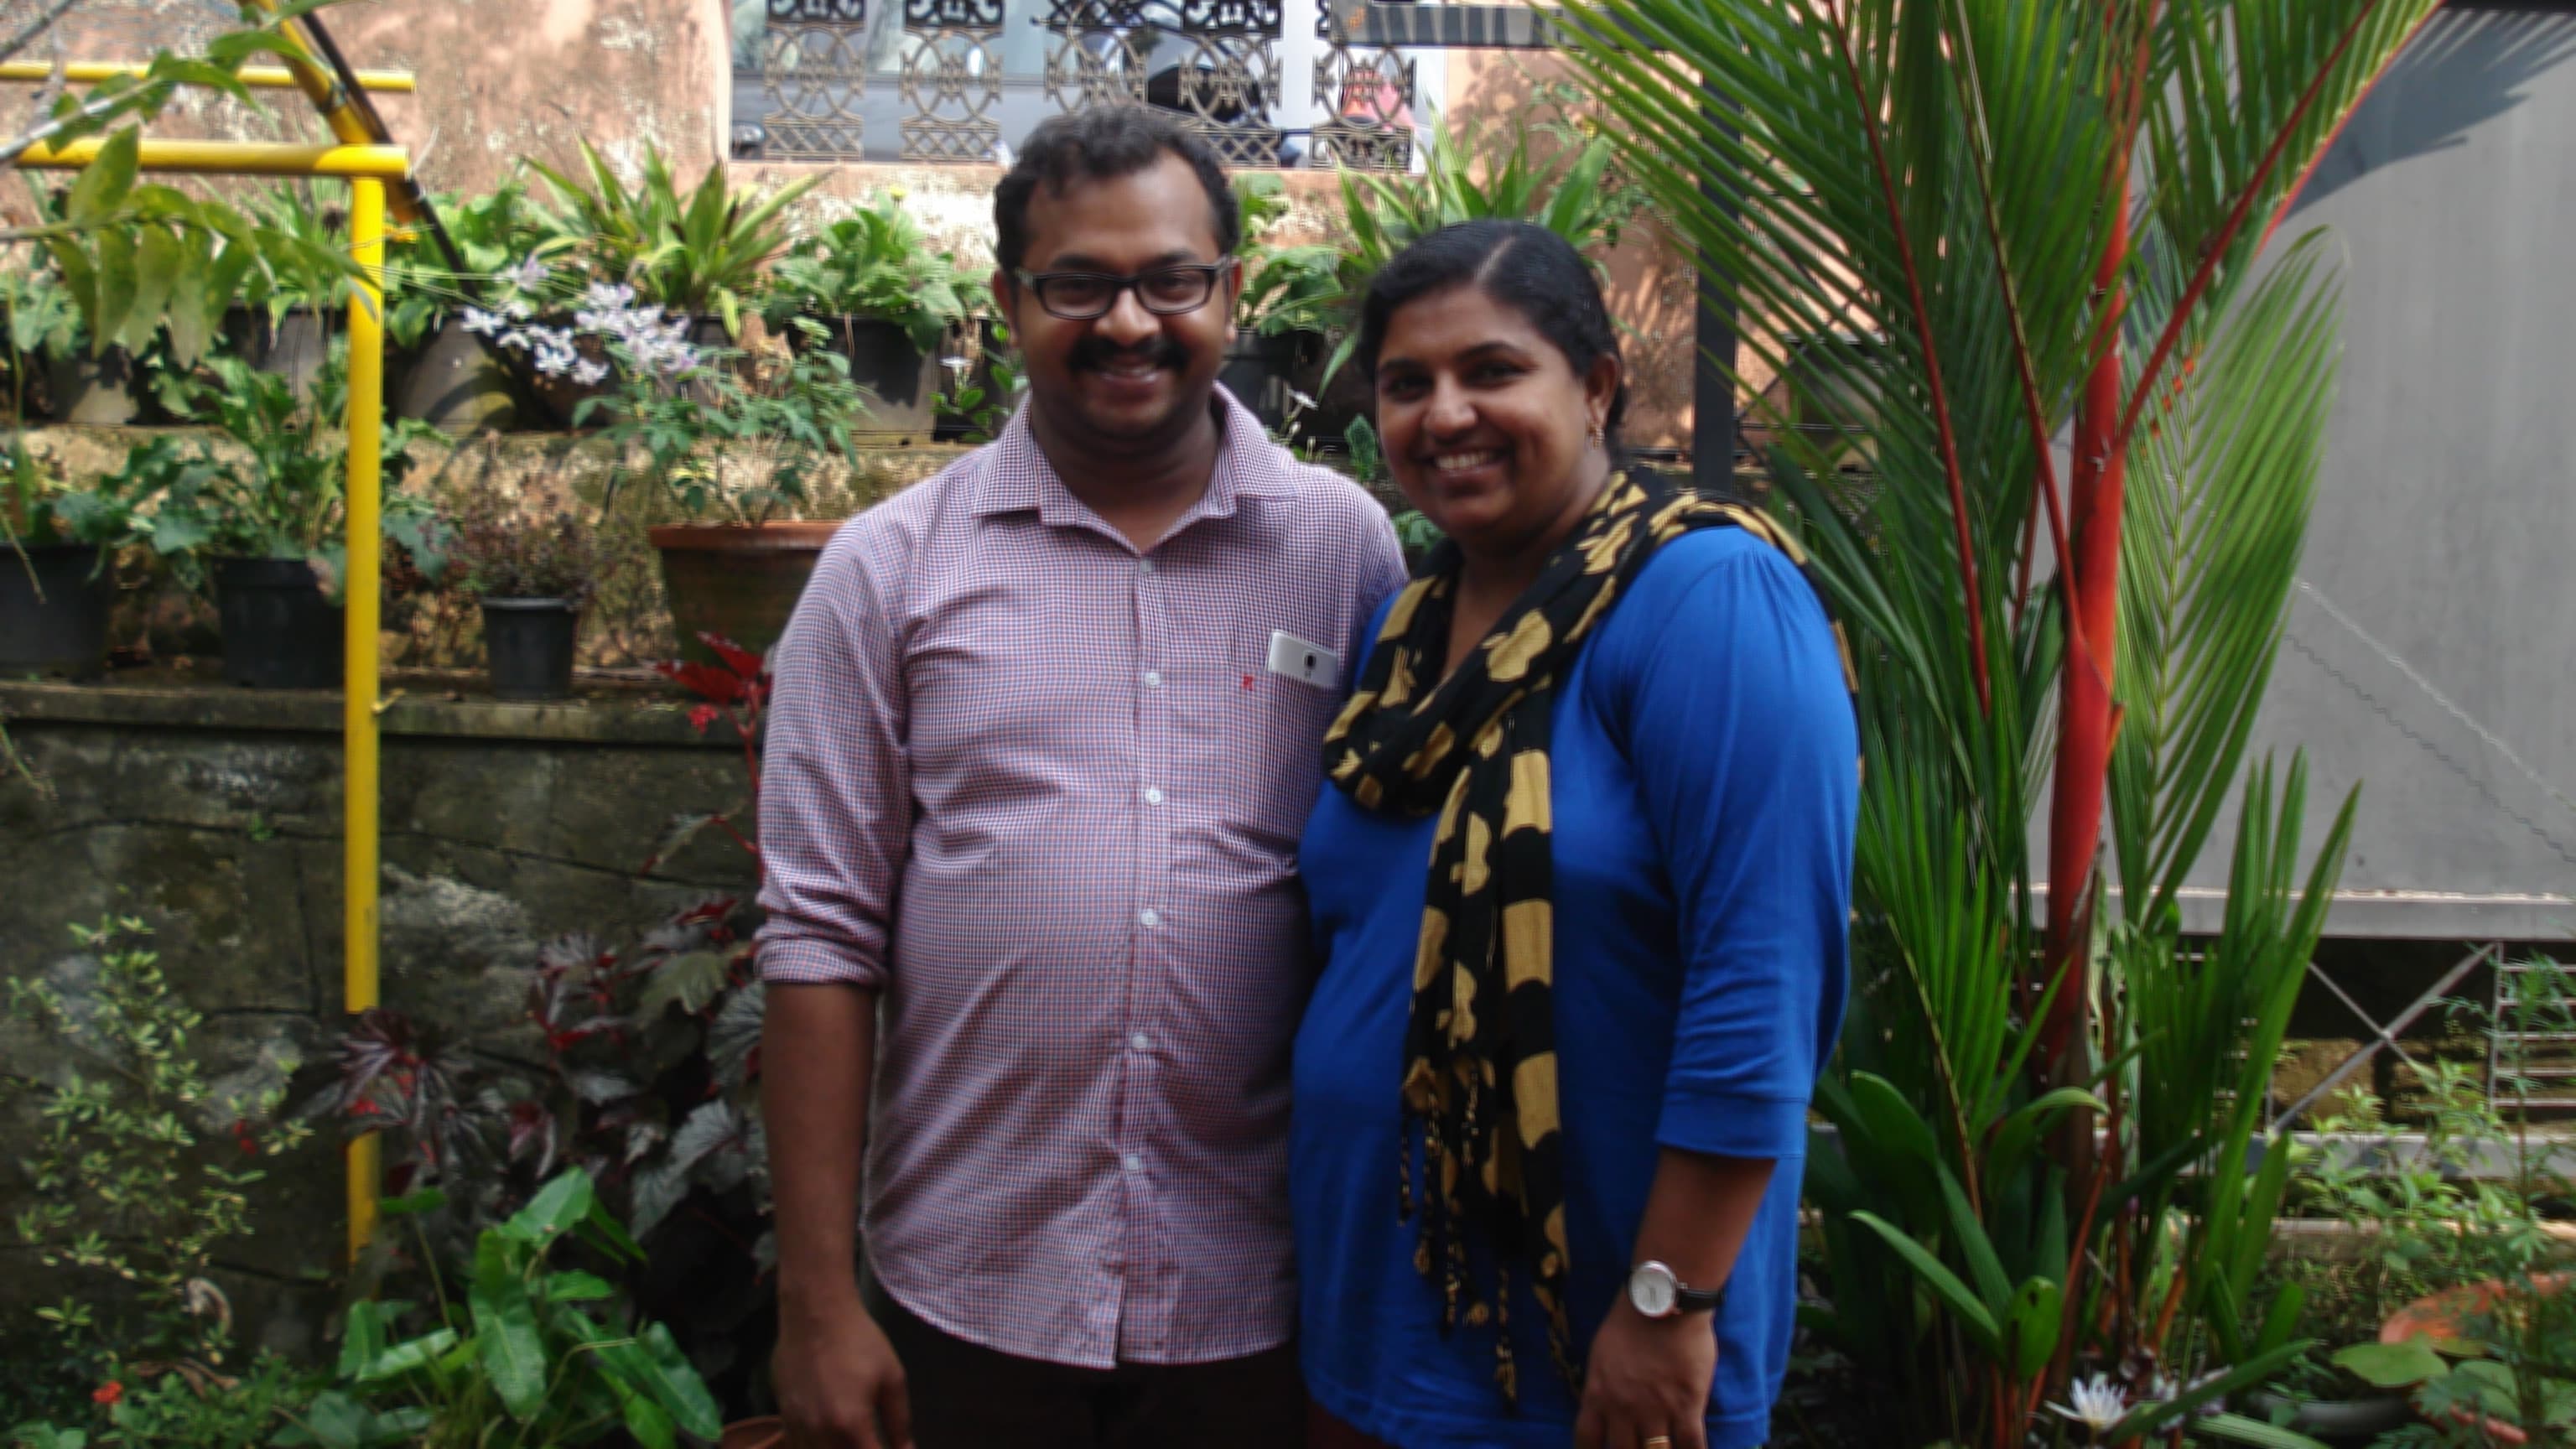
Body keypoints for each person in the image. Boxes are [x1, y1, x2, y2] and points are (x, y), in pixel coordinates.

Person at [757, 105, 1409, 1449]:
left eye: (1172, 280)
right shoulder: (888, 572)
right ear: (1007, 302)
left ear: (1230, 293)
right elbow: (818, 938)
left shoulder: (1343, 551)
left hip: (1264, 1289)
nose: (1129, 321)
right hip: (974, 1288)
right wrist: (817, 1302)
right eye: (1078, 284)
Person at [1291, 220, 1859, 1449]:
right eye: (1407, 384)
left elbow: (1761, 986)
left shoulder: (1706, 601)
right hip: (1377, 1310)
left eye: (1492, 371)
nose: (1446, 414)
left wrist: (1667, 1302)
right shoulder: (1403, 625)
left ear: (1596, 387)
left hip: (1599, 1335)